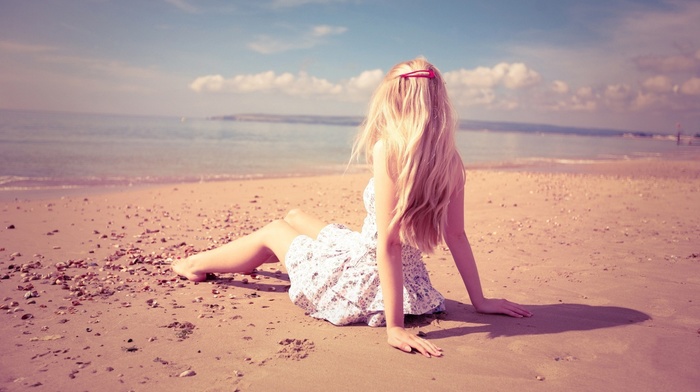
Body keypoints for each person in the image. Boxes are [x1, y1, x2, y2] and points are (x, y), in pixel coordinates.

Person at [172, 57, 532, 358]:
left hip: (368, 274)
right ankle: (256, 259)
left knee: (273, 230)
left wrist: (394, 327)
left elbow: (388, 244)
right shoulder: (449, 158)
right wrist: (479, 300)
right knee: (295, 216)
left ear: (394, 99)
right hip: (406, 275)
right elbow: (456, 234)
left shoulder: (388, 149)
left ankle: (192, 264)